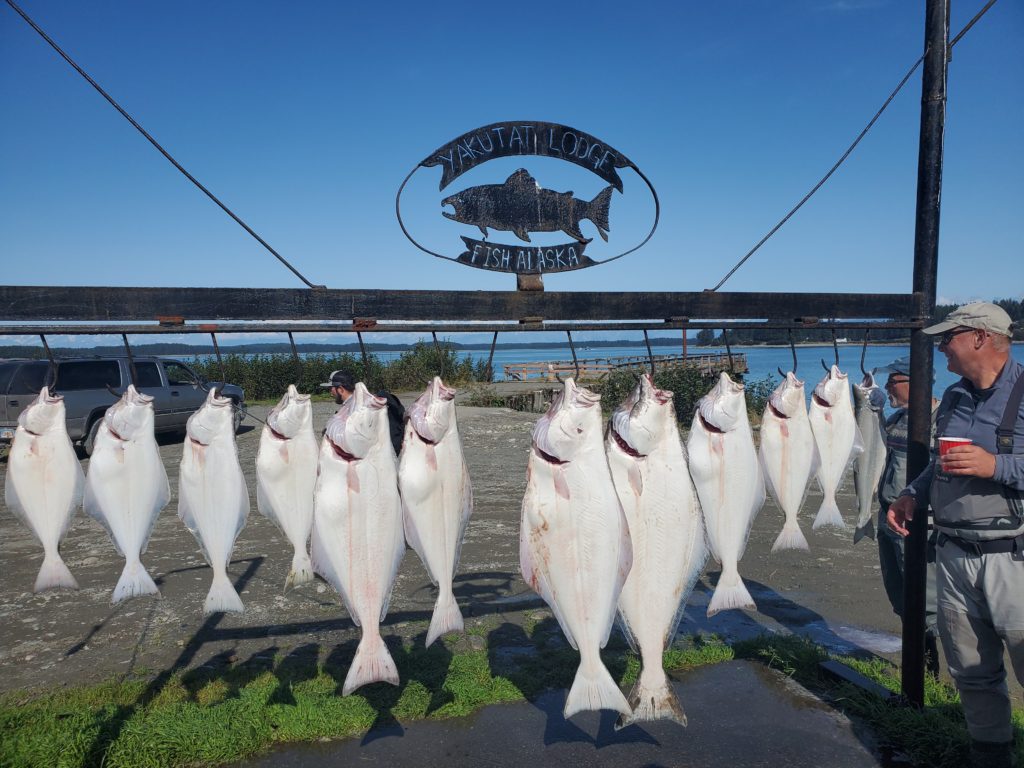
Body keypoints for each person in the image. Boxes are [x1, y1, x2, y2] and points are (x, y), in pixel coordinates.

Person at [887, 302, 1023, 768]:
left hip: (1013, 557)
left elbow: (993, 466)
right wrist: (912, 492)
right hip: (952, 553)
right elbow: (938, 467)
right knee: (971, 669)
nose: (941, 345)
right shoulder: (956, 397)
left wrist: (996, 466)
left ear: (982, 338)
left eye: (950, 337)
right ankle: (991, 757)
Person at [873, 355, 940, 675]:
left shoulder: (941, 421)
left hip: (916, 524)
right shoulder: (896, 419)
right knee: (898, 592)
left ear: (917, 383)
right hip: (887, 517)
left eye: (893, 381)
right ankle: (916, 658)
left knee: (925, 598)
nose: (888, 387)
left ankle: (931, 668)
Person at [320, 369, 405, 456]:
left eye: (331, 388)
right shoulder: (354, 404)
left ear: (340, 389)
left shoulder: (357, 409)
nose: (330, 393)